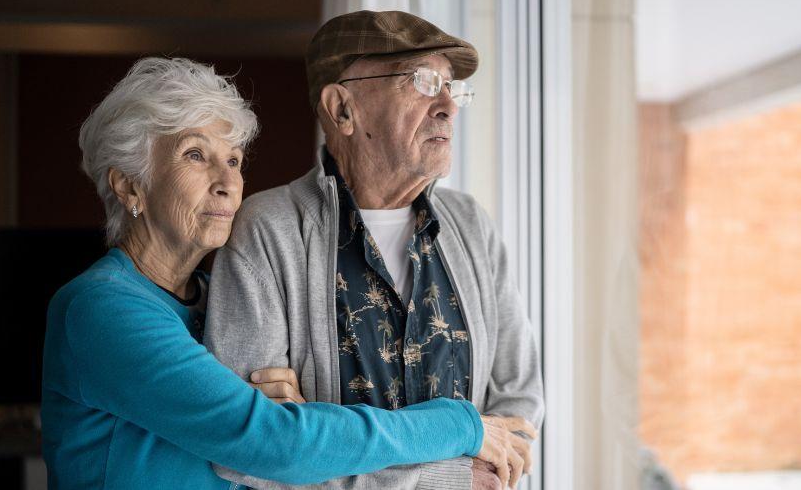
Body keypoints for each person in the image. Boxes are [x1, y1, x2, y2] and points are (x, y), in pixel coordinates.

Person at [41, 57, 517, 489]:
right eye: (194, 155)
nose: (228, 183)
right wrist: (459, 425)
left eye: (233, 160)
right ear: (129, 185)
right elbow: (278, 444)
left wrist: (305, 415)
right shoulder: (102, 310)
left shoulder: (213, 301)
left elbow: (293, 446)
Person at [204, 11, 544, 490]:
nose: (449, 104)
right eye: (424, 83)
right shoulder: (270, 231)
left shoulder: (471, 227)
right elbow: (250, 451)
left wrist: (318, 434)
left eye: (453, 87)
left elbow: (520, 408)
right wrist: (443, 476)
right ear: (342, 109)